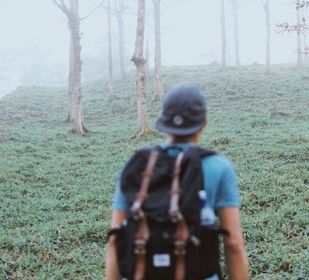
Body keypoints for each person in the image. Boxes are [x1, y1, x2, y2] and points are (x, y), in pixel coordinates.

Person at [105, 85, 249, 280]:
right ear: (204, 122)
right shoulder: (219, 167)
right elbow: (233, 243)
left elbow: (115, 240)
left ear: (163, 121)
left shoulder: (136, 165)